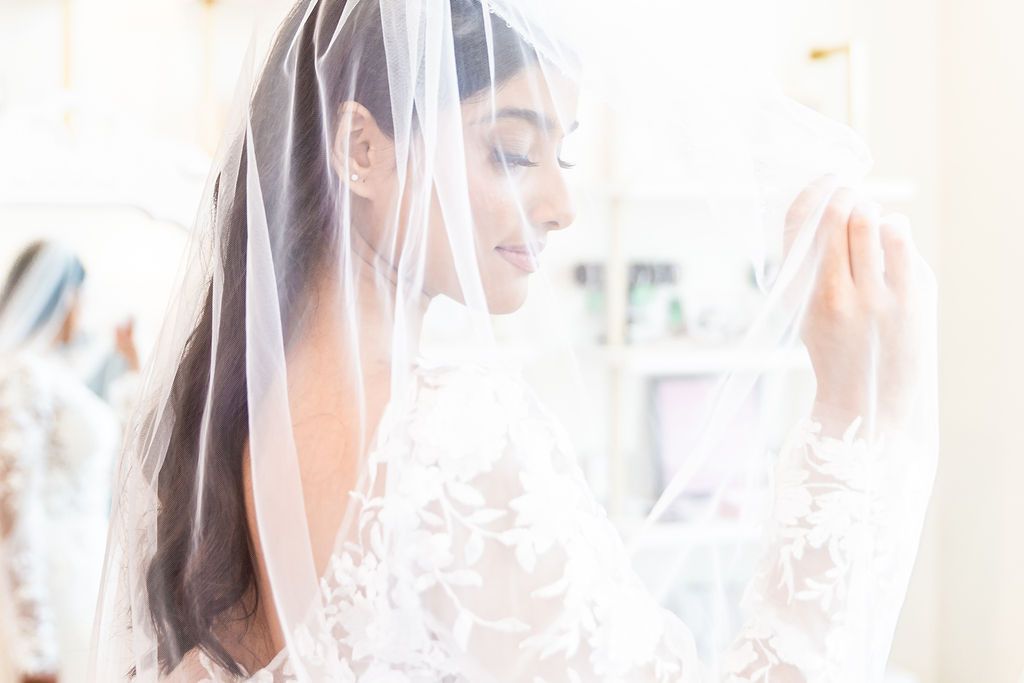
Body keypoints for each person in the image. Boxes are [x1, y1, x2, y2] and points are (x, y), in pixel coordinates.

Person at [92, 1, 938, 681]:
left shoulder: (220, 432)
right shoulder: (445, 438)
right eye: (512, 150)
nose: (562, 204)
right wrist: (860, 421)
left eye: (561, 153)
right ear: (361, 148)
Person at [0, 241, 137, 683]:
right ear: (65, 297)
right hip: (55, 590)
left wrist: (132, 364)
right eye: (83, 296)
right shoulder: (24, 375)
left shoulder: (53, 376)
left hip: (86, 573)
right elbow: (13, 510)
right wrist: (34, 643)